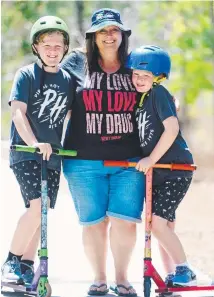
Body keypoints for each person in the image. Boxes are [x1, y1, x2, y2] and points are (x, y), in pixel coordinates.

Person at [60, 8, 145, 297]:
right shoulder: (76, 64)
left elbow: (155, 96)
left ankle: (122, 279)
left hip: (129, 160)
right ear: (92, 37)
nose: (109, 36)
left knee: (125, 222)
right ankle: (99, 278)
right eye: (102, 31)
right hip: (83, 160)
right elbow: (52, 91)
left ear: (123, 34)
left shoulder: (137, 65)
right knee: (94, 223)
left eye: (114, 30)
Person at [1, 16, 74, 285]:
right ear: (36, 47)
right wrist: (33, 143)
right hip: (26, 152)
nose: (52, 51)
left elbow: (71, 116)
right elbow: (18, 114)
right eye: (47, 45)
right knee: (37, 206)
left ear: (65, 48)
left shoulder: (68, 80)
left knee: (41, 211)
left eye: (58, 46)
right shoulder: (26, 75)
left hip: (52, 157)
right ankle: (11, 261)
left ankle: (26, 265)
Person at [126, 45, 197, 286]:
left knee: (156, 224)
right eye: (135, 74)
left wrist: (150, 159)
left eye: (145, 76)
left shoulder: (157, 93)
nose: (139, 79)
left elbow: (172, 128)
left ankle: (184, 270)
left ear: (158, 77)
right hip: (159, 172)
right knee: (164, 225)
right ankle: (174, 274)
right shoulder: (141, 99)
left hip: (175, 169)